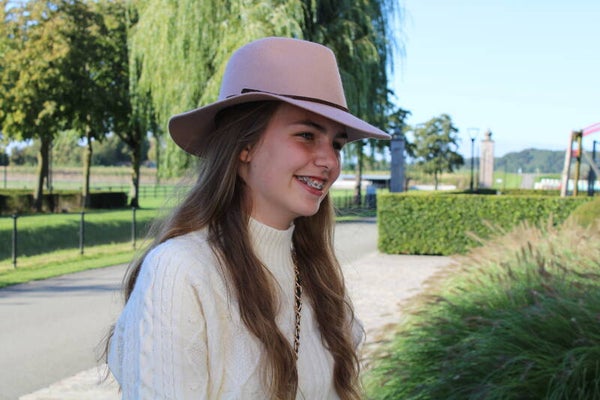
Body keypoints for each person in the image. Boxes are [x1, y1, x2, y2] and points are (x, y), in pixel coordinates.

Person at [107, 36, 390, 399]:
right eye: (306, 135)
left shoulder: (318, 275)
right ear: (245, 146)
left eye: (336, 144)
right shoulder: (181, 271)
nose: (330, 161)